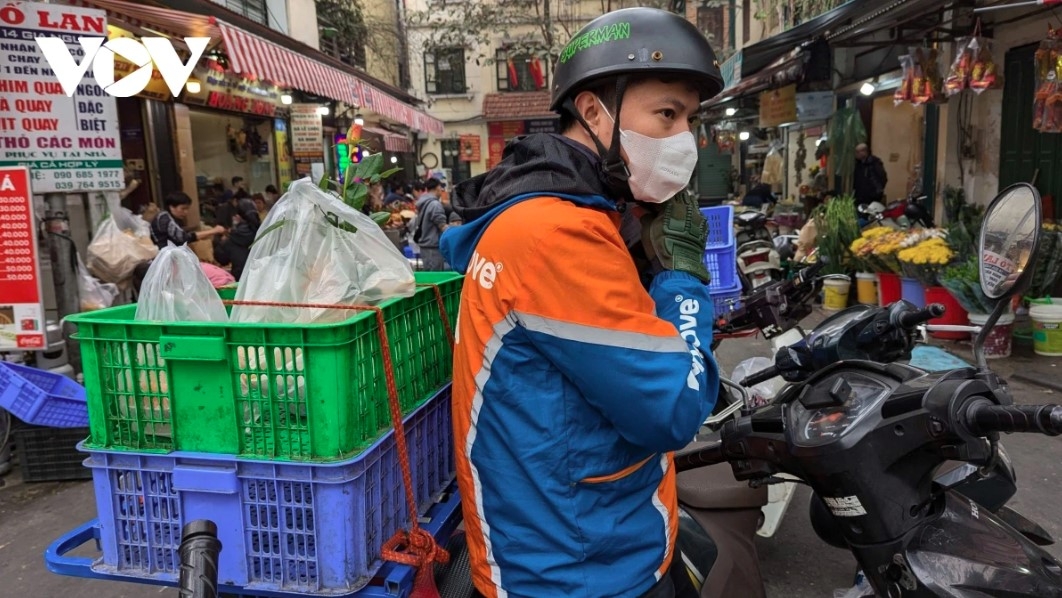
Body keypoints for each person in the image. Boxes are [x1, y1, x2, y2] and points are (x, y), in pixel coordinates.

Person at [438, 8, 722, 597]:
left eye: (690, 120)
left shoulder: (562, 213)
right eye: (666, 114)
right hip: (578, 569)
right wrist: (685, 280)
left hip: (589, 534)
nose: (683, 140)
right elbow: (673, 409)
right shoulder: (556, 234)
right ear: (594, 111)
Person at [149, 192, 224, 250]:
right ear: (172, 207)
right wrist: (214, 231)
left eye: (187, 209)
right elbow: (184, 238)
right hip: (164, 256)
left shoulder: (167, 216)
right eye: (183, 209)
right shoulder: (164, 218)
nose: (186, 212)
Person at [413, 178, 450, 270]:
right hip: (433, 247)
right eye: (440, 187)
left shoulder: (423, 202)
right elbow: (442, 225)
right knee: (436, 278)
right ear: (437, 188)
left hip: (425, 246)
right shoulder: (435, 205)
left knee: (430, 276)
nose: (441, 190)